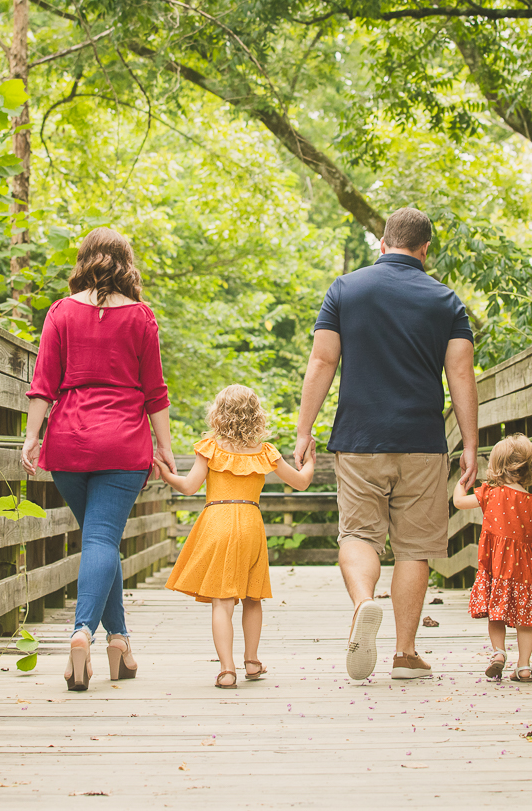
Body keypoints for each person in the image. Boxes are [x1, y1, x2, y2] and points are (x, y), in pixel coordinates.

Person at [294, 207, 480, 681]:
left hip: (358, 439)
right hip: (421, 441)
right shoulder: (446, 301)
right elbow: (461, 374)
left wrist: (303, 430)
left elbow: (322, 361)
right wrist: (472, 447)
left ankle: (363, 604)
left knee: (358, 535)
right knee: (414, 548)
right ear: (425, 249)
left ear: (382, 243)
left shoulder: (345, 290)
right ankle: (404, 652)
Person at [22, 227, 177, 692]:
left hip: (68, 443)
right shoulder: (141, 318)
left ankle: (120, 643)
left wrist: (32, 438)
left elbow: (43, 383)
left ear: (83, 261)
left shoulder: (60, 313)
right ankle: (83, 631)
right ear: (126, 264)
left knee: (98, 540)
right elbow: (155, 392)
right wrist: (165, 448)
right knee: (103, 541)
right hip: (123, 444)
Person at [156, 385, 316, 688]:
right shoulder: (265, 452)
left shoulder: (211, 448)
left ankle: (227, 670)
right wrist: (309, 461)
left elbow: (189, 487)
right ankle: (252, 662)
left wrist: (167, 475)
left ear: (219, 414)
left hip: (218, 521)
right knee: (252, 597)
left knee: (223, 601)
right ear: (256, 415)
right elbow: (302, 482)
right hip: (251, 524)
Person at [454, 433, 532, 682]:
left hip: (496, 567)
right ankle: (524, 667)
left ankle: (499, 653)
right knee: (526, 621)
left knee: (496, 613)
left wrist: (463, 480)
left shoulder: (490, 494)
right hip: (526, 572)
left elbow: (459, 502)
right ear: (530, 468)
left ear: (496, 467)